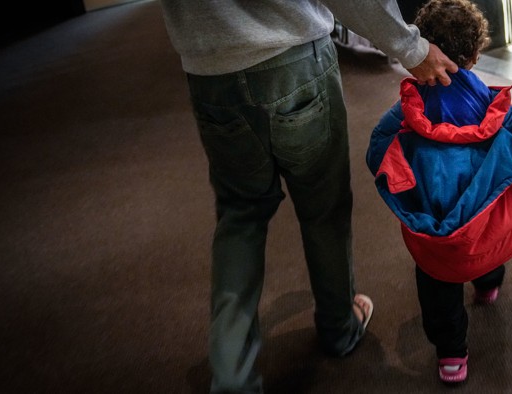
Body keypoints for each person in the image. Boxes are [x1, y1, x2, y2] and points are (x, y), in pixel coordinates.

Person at [157, 1, 458, 393]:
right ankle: (339, 327)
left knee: (240, 215)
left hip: (210, 71)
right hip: (293, 60)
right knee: (324, 205)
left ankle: (231, 377)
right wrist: (409, 47)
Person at [365, 0, 512, 384]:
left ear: (425, 50)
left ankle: (452, 355)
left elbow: (377, 148)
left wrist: (396, 173)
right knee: (488, 235)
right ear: (473, 55)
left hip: (435, 215)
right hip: (482, 210)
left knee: (437, 279)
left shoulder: (408, 109)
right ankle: (488, 284)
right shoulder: (490, 103)